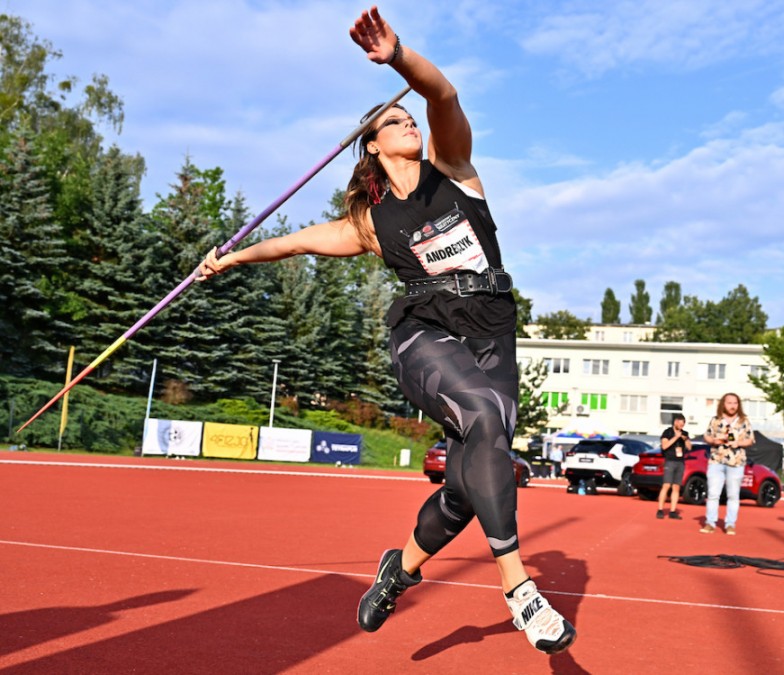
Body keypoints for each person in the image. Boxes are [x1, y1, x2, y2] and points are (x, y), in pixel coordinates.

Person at [197, 6, 575, 655]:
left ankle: (398, 571)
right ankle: (519, 588)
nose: (409, 122)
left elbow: (443, 94)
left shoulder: (455, 170)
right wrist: (230, 258)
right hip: (425, 331)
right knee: (484, 416)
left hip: (491, 328)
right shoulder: (372, 223)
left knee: (465, 491)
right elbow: (294, 242)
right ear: (372, 144)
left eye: (408, 117)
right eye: (394, 121)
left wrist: (398, 56)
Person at [701, 393, 754, 535]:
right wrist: (713, 441)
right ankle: (710, 523)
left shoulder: (744, 421)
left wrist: (738, 443)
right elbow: (706, 436)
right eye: (729, 403)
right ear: (723, 404)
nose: (732, 406)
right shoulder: (715, 420)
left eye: (735, 403)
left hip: (736, 462)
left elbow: (750, 440)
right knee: (713, 494)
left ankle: (730, 524)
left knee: (733, 495)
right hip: (716, 460)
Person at [657, 413, 691, 519]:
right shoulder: (667, 432)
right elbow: (664, 446)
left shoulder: (685, 433)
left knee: (676, 487)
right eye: (680, 424)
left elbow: (689, 447)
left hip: (680, 462)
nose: (681, 426)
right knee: (666, 485)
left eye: (683, 424)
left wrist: (685, 439)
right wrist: (676, 437)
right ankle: (660, 510)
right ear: (675, 422)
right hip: (670, 461)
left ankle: (672, 511)